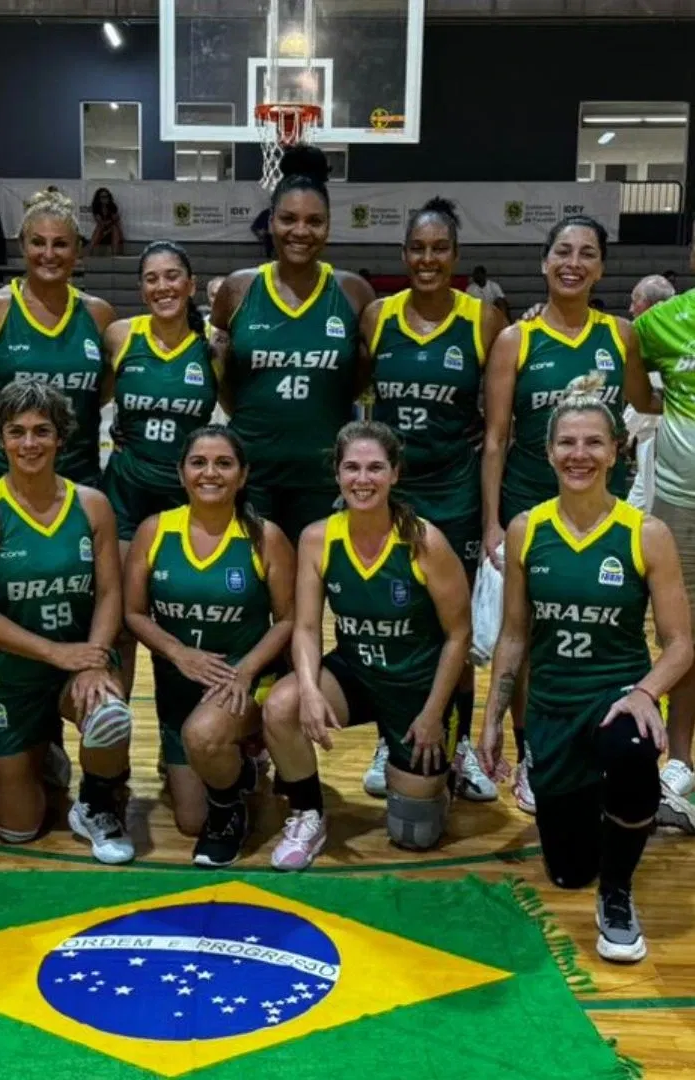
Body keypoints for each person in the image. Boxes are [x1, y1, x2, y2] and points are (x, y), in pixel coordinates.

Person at [480, 376, 695, 963]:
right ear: (548, 452)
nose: (580, 455)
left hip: (615, 695)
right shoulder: (528, 529)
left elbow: (681, 643)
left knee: (630, 753)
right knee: (568, 871)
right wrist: (494, 719)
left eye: (593, 443)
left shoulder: (643, 534)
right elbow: (516, 635)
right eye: (567, 443)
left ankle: (620, 892)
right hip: (551, 707)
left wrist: (646, 693)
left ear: (617, 451)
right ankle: (607, 817)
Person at [482, 214, 654, 813]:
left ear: (601, 266)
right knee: (527, 641)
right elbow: (497, 438)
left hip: (606, 511)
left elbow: (642, 405)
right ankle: (534, 754)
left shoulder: (622, 336)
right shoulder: (516, 340)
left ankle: (603, 737)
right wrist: (489, 523)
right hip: (531, 506)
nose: (572, 262)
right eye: (562, 251)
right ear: (544, 261)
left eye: (586, 253)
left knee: (606, 628)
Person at [261, 421, 471, 871]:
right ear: (337, 474)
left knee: (414, 834)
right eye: (352, 468)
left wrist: (434, 713)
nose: (363, 479)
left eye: (375, 468)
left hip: (417, 685)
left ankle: (446, 762)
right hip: (357, 670)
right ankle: (308, 813)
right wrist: (311, 691)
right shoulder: (318, 538)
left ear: (395, 473)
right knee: (282, 706)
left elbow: (459, 635)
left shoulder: (423, 541)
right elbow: (306, 627)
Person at [0, 380, 135, 865]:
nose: (29, 443)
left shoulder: (91, 504)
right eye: (17, 432)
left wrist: (94, 661)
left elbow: (111, 592)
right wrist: (55, 652)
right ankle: (34, 749)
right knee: (19, 830)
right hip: (10, 674)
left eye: (41, 431)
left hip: (79, 661)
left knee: (110, 713)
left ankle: (95, 800)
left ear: (61, 437)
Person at [361, 197, 506, 802]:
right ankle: (388, 737)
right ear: (404, 254)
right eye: (418, 249)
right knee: (396, 621)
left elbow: (500, 422)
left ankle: (463, 746)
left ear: (456, 255)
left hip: (454, 495)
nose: (428, 259)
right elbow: (357, 398)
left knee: (457, 627)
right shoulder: (376, 317)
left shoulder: (483, 320)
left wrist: (493, 516)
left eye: (439, 249)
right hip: (392, 498)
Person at [123, 426, 295, 866]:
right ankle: (241, 769)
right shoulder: (155, 530)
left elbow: (290, 620)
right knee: (188, 821)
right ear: (181, 473)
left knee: (205, 739)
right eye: (198, 462)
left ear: (242, 475)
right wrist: (179, 652)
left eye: (224, 463)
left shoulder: (265, 537)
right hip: (178, 684)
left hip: (241, 677)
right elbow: (134, 614)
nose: (210, 473)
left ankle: (230, 809)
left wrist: (247, 669)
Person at [210, 145, 374, 543]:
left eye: (314, 221)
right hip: (252, 473)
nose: (301, 231)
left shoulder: (354, 293)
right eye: (288, 219)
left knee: (311, 594)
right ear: (271, 222)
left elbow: (359, 380)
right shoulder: (238, 289)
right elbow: (223, 378)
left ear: (329, 226)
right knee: (250, 587)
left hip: (323, 475)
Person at [102, 241, 219, 693]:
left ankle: (183, 742)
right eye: (151, 278)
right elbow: (99, 399)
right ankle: (115, 730)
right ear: (141, 288)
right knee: (120, 624)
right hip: (126, 496)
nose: (162, 286)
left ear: (190, 285)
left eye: (172, 276)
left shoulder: (212, 349)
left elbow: (232, 414)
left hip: (183, 503)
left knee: (182, 620)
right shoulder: (121, 336)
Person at [0, 190, 116, 496]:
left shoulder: (100, 315)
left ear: (77, 249)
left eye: (60, 244)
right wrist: (9, 409)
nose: (49, 253)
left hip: (74, 472)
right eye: (38, 242)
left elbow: (103, 390)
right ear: (22, 245)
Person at [630, 245, 695, 797]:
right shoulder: (662, 323)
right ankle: (680, 759)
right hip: (680, 504)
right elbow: (625, 375)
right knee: (685, 635)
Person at [623, 275, 674, 512]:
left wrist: (622, 432)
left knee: (654, 510)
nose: (631, 308)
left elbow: (650, 397)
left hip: (663, 440)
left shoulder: (656, 336)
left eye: (636, 301)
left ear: (655, 305)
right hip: (647, 439)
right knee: (637, 507)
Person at [86, 187, 124, 256]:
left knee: (114, 228)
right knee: (99, 228)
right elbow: (101, 223)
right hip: (102, 233)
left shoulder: (112, 206)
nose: (105, 198)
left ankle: (114, 255)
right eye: (103, 197)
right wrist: (111, 221)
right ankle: (88, 253)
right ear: (99, 198)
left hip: (112, 233)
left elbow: (116, 220)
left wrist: (110, 223)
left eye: (107, 196)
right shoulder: (96, 208)